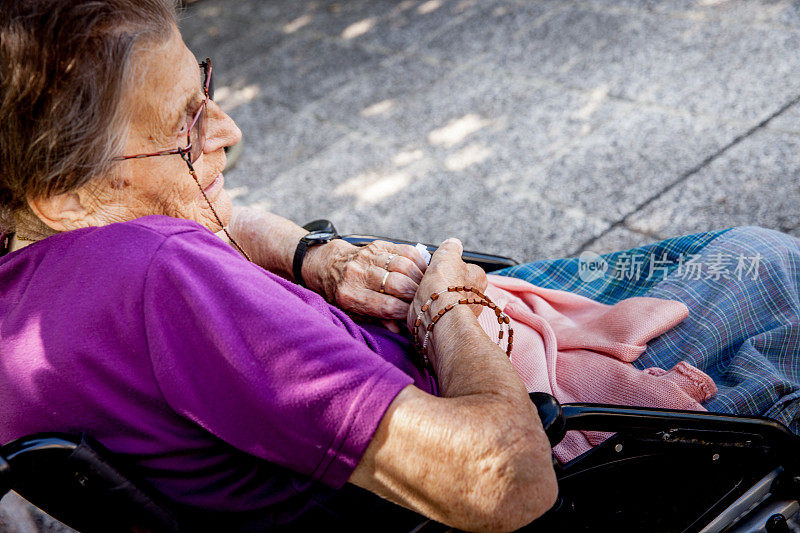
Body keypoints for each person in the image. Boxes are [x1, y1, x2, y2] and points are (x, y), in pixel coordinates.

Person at [1, 1, 798, 531]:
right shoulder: (161, 275)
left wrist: (313, 254)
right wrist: (448, 308)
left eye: (204, 86)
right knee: (764, 264)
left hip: (420, 374)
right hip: (537, 415)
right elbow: (505, 479)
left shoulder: (38, 284)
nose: (228, 130)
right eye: (184, 125)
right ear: (63, 192)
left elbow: (227, 218)